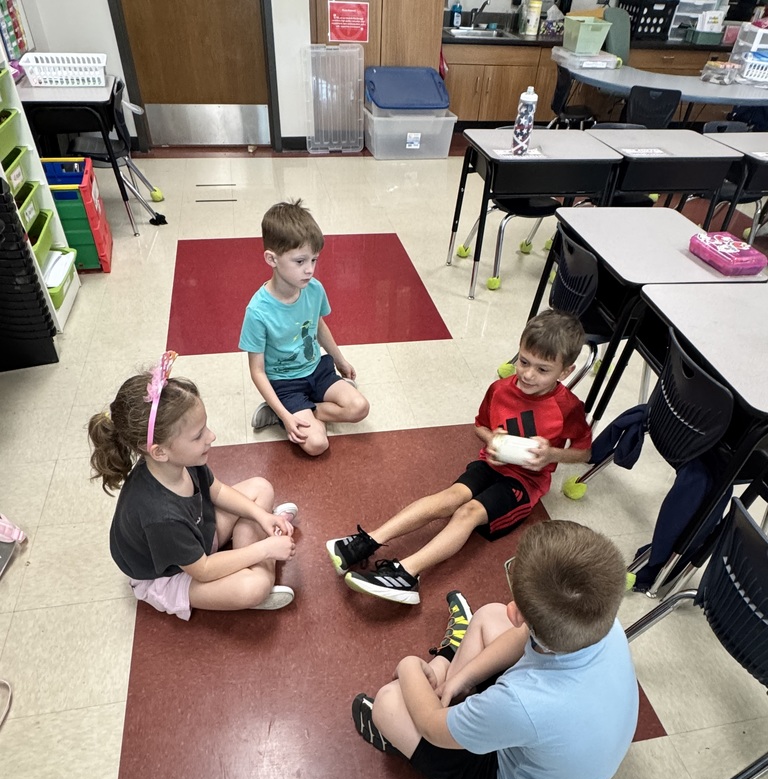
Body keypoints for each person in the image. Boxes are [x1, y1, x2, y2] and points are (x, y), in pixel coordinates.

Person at [352, 520, 638, 779]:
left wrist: (407, 666)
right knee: (488, 615)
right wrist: (460, 680)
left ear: (518, 612)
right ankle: (446, 668)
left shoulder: (520, 702)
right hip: (558, 735)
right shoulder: (600, 620)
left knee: (389, 702)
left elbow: (433, 729)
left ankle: (404, 721)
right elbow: (521, 637)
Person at [326, 309, 592, 605]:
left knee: (468, 512)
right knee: (450, 497)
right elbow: (479, 425)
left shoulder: (568, 407)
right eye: (523, 361)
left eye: (542, 370)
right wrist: (492, 439)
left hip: (525, 483)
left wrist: (551, 454)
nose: (528, 374)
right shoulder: (500, 389)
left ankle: (407, 574)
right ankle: (369, 540)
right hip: (491, 464)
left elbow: (584, 452)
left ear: (565, 372)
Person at [88, 352, 298, 620]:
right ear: (160, 451)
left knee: (261, 488)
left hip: (198, 534)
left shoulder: (181, 459)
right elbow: (204, 569)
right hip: (174, 573)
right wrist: (266, 549)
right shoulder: (159, 516)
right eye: (198, 435)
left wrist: (261, 516)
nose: (211, 437)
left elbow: (217, 491)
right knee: (254, 587)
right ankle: (257, 574)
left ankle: (252, 557)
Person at [239, 198, 369, 457]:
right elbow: (257, 371)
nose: (309, 270)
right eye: (300, 261)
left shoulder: (314, 289)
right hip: (284, 383)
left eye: (314, 260)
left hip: (317, 370)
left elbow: (318, 325)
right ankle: (276, 412)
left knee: (359, 407)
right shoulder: (257, 311)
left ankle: (309, 409)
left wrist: (340, 360)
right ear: (271, 259)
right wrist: (286, 415)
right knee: (317, 444)